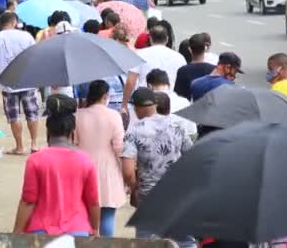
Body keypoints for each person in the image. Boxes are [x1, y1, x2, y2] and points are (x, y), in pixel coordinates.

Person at [13, 94, 100, 237]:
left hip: (41, 231)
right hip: (78, 230)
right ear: (72, 132)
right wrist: (95, 229)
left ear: (48, 131)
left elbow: (28, 201)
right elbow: (93, 201)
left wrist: (17, 231)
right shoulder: (85, 160)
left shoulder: (35, 160)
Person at [121, 87, 194, 247]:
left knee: (147, 242)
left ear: (137, 108)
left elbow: (127, 171)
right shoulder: (178, 124)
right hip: (179, 194)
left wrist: (134, 188)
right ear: (154, 104)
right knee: (185, 241)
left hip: (149, 197)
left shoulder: (135, 130)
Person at [74, 81, 127, 238]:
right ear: (105, 96)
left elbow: (73, 144)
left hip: (83, 169)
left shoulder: (77, 115)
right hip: (108, 170)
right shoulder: (114, 116)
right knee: (108, 214)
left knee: (86, 214)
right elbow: (119, 148)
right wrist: (127, 174)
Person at [0, 12, 39, 155]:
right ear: (14, 22)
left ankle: (19, 146)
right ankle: (34, 144)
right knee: (32, 113)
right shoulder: (26, 36)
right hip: (28, 80)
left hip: (7, 84)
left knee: (14, 116)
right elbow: (35, 56)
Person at [121, 25, 187, 112]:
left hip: (144, 102)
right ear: (167, 39)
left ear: (150, 39)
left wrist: (124, 105)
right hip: (170, 102)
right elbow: (183, 83)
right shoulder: (179, 58)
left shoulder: (139, 55)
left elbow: (130, 82)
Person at [174, 34, 217, 100]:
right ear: (205, 48)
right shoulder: (214, 69)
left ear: (190, 49)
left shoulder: (183, 71)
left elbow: (178, 95)